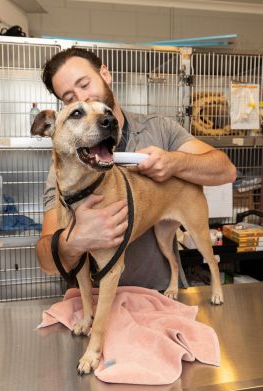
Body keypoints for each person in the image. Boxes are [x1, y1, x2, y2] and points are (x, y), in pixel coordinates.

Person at [35, 48, 236, 290]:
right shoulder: (66, 167)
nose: (82, 98)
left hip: (160, 294)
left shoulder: (160, 130)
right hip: (97, 303)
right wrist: (73, 241)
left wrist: (175, 162)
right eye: (69, 98)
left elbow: (226, 170)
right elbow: (46, 262)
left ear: (105, 74)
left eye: (85, 84)